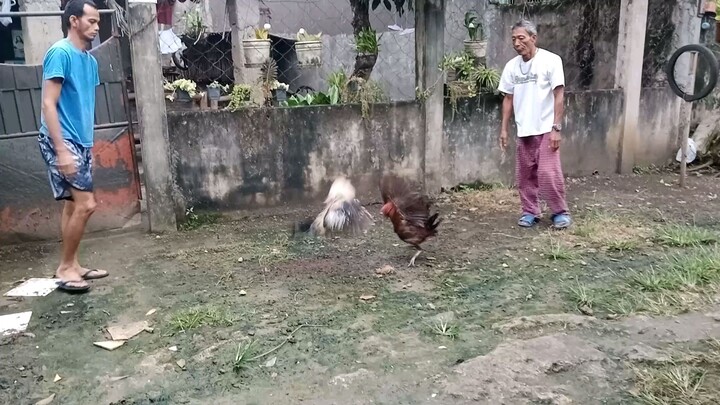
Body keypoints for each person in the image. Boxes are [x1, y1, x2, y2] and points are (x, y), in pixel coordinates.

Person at [38, 0, 108, 293]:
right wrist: (62, 149)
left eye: (98, 23)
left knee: (72, 204)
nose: (95, 27)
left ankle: (73, 264)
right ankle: (65, 268)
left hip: (81, 141)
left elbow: (82, 104)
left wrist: (86, 145)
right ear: (73, 20)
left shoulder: (89, 61)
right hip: (61, 140)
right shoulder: (60, 53)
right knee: (86, 204)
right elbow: (48, 103)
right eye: (90, 21)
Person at [497, 19, 571, 230]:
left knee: (548, 172)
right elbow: (508, 99)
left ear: (533, 38)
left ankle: (560, 212)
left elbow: (559, 95)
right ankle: (530, 211)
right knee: (525, 175)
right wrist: (504, 128)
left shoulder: (551, 60)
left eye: (521, 38)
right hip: (524, 129)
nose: (517, 43)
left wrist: (556, 127)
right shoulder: (511, 66)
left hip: (547, 128)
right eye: (513, 39)